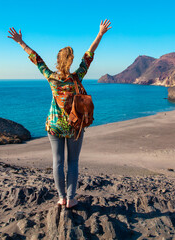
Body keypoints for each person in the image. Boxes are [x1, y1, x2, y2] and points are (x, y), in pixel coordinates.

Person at [7, 20, 111, 208]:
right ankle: (71, 199)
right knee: (72, 162)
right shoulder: (76, 77)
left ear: (58, 60)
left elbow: (36, 58)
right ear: (70, 61)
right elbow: (90, 54)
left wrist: (20, 42)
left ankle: (61, 197)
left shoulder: (51, 77)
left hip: (54, 126)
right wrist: (100, 33)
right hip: (74, 126)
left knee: (57, 162)